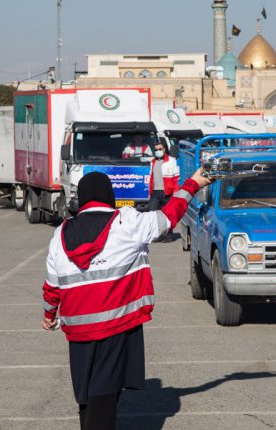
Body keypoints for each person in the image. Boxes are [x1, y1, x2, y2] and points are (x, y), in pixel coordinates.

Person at [40, 169, 210, 430]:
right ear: (109, 196)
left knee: (88, 397)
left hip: (78, 332)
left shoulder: (60, 235)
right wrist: (194, 184)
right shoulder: (127, 222)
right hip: (115, 326)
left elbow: (52, 285)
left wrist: (49, 315)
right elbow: (169, 216)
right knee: (104, 397)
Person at [147, 141, 180, 211]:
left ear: (164, 150)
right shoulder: (153, 162)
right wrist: (150, 193)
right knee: (151, 212)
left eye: (160, 149)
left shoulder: (172, 161)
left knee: (167, 214)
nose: (158, 151)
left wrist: (175, 194)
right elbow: (151, 178)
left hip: (167, 193)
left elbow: (177, 179)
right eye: (156, 150)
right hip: (155, 193)